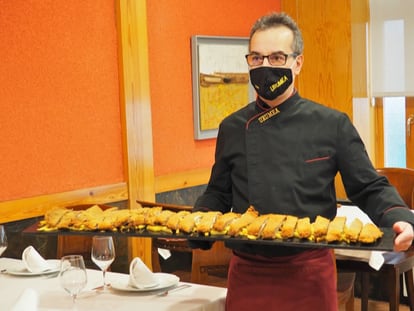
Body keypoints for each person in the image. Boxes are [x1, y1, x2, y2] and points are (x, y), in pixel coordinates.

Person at [190, 12, 414, 311]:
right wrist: (198, 222)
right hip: (248, 272)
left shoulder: (331, 124)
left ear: (298, 63)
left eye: (277, 57)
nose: (266, 66)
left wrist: (399, 218)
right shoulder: (232, 127)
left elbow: (369, 186)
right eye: (256, 58)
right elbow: (219, 192)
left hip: (308, 272)